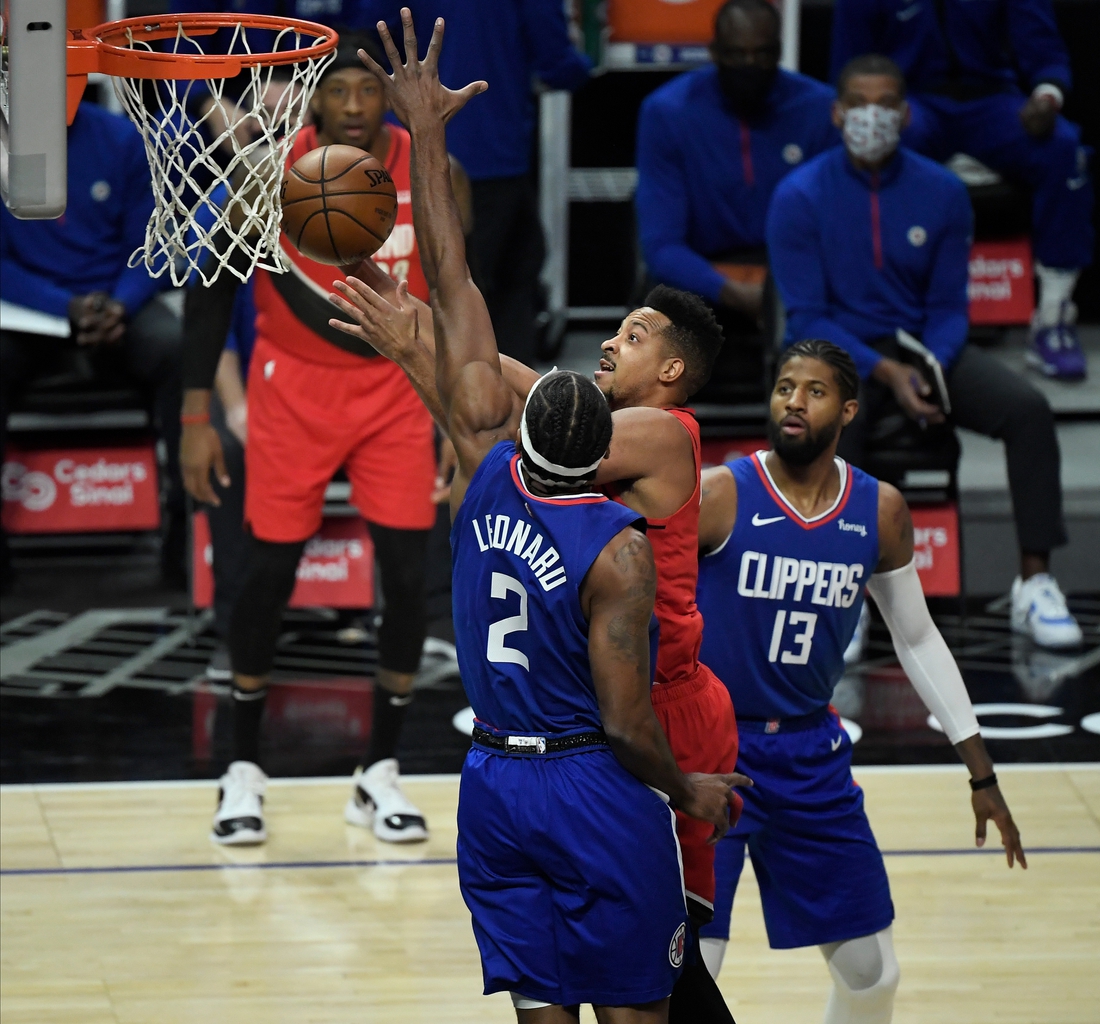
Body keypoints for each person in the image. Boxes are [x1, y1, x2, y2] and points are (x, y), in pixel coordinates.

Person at [354, 15, 748, 1019]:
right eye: (613, 325)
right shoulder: (567, 459)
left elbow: (483, 392)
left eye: (635, 332)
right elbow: (480, 364)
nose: (613, 335)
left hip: (660, 710)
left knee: (664, 967)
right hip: (592, 722)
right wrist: (430, 342)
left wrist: (423, 348)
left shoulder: (660, 434)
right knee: (648, 976)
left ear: (670, 374)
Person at [179, 33, 472, 845]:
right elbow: (209, 297)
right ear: (312, 100)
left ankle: (378, 771)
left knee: (410, 576)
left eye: (366, 92)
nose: (351, 106)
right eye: (336, 92)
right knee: (266, 572)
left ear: (386, 100)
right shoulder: (266, 174)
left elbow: (455, 295)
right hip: (292, 389)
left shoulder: (432, 171)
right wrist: (195, 415)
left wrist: (456, 408)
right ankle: (242, 767)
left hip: (400, 389)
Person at [695, 338, 1026, 1024]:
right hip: (710, 752)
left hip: (810, 757)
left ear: (846, 410)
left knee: (874, 975)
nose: (793, 401)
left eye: (813, 391)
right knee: (691, 977)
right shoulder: (721, 494)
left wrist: (981, 770)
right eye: (785, 386)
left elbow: (917, 637)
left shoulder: (879, 512)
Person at [766, 55, 1082, 649]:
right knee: (828, 423)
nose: (872, 117)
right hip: (835, 351)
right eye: (859, 104)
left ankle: (1036, 584)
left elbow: (948, 307)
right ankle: (843, 597)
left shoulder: (943, 192)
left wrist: (930, 368)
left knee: (1029, 412)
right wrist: (883, 371)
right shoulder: (799, 195)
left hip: (919, 346)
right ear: (836, 114)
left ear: (907, 115)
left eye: (886, 105)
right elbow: (807, 316)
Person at [830, 0, 1093, 381]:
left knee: (1064, 149)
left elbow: (1043, 49)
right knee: (875, 145)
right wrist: (872, 112)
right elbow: (848, 63)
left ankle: (1054, 315)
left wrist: (1047, 96)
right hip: (912, 101)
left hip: (991, 100)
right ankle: (881, 312)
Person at [0, 100, 185, 583]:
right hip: (32, 307)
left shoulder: (122, 138)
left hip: (114, 298)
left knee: (177, 349)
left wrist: (120, 303)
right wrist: (64, 307)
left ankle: (186, 540)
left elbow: (152, 240)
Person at [636, 0, 837, 321]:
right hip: (703, 270)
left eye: (762, 54)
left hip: (793, 269)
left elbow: (834, 224)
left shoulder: (819, 109)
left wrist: (791, 287)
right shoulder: (668, 112)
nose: (749, 64)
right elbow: (661, 245)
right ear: (715, 52)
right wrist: (731, 291)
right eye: (736, 54)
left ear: (778, 51)